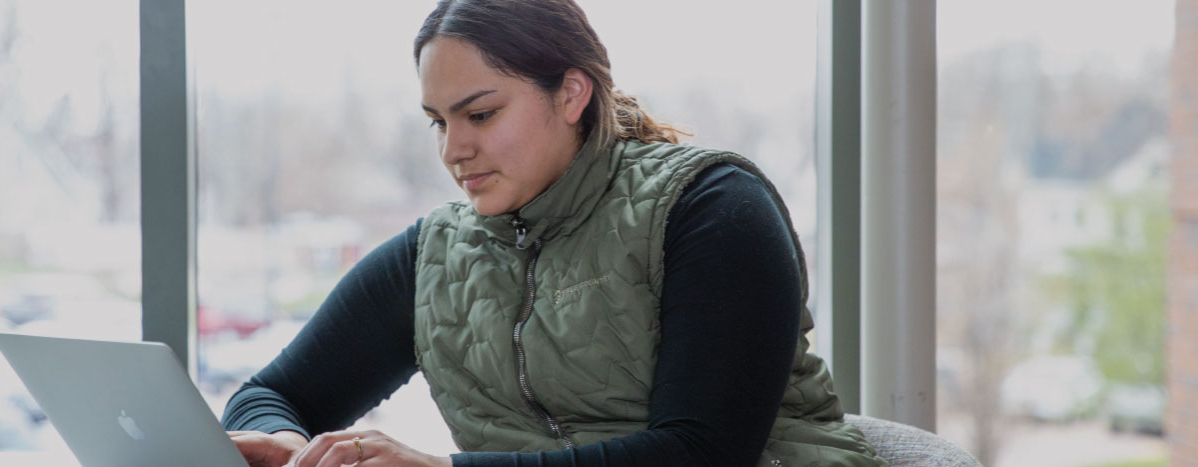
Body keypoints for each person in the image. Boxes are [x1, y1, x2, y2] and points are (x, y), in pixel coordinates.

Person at [222, 1, 886, 466]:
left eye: (479, 114)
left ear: (571, 95)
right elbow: (269, 393)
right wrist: (288, 442)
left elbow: (703, 452)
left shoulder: (711, 207)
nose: (453, 150)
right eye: (437, 122)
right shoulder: (437, 257)